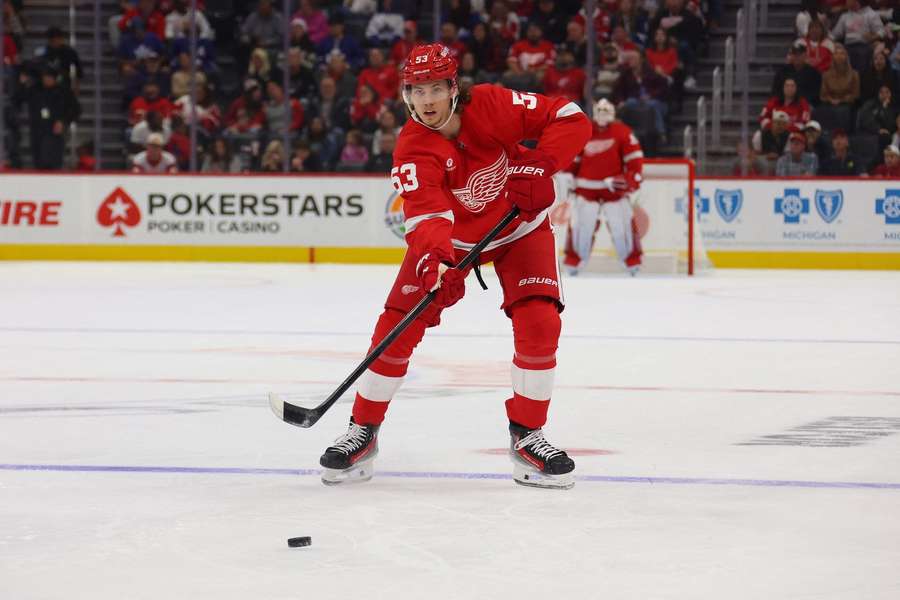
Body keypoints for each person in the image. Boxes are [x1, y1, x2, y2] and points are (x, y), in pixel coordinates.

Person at [317, 43, 591, 490]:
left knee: (540, 321)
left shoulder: (493, 103)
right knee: (398, 327)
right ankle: (363, 429)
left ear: (453, 88)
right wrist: (438, 264)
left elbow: (571, 116)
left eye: (434, 88)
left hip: (519, 227)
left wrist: (541, 166)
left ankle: (528, 435)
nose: (426, 100)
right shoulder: (411, 147)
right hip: (453, 243)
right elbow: (427, 217)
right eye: (416, 90)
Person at [563, 98, 644, 275]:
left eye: (606, 111)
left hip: (613, 190)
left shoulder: (622, 132)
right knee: (581, 226)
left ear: (613, 113)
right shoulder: (585, 130)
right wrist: (569, 174)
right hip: (585, 188)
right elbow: (574, 156)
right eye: (599, 111)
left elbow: (634, 160)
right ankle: (574, 262)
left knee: (620, 225)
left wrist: (630, 180)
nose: (602, 115)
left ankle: (632, 262)